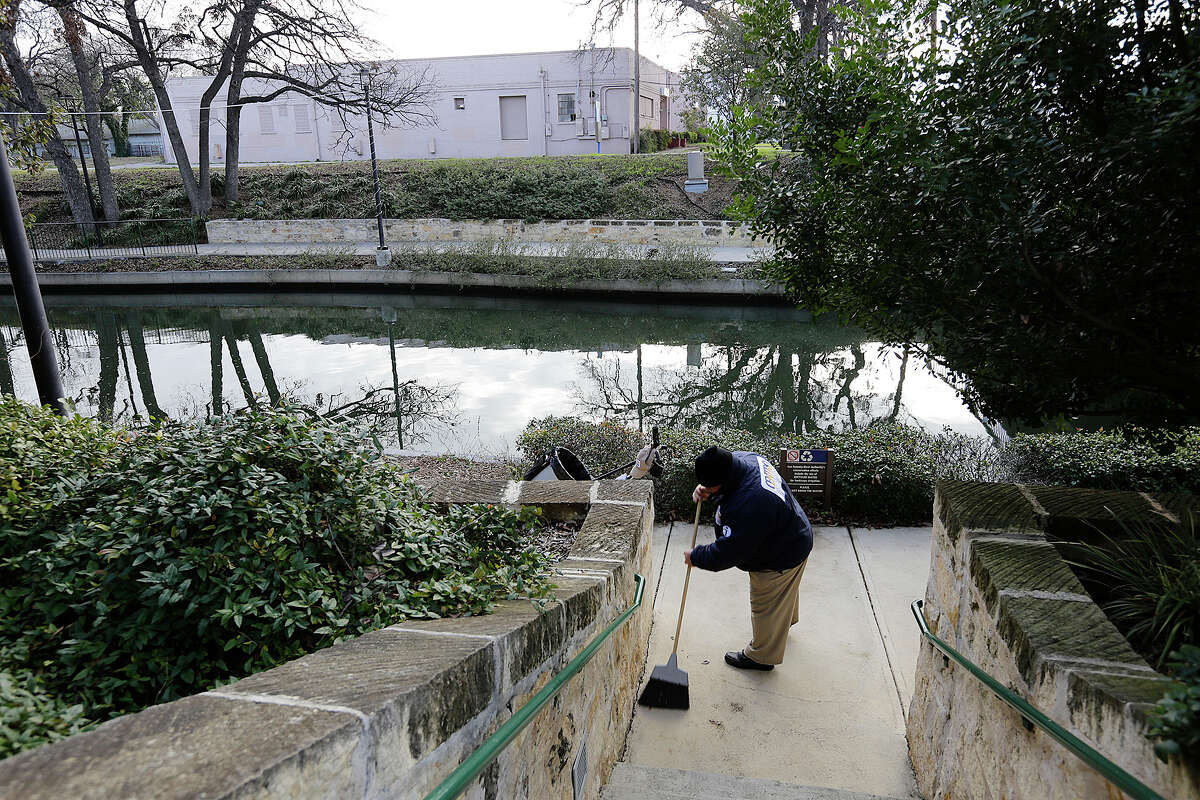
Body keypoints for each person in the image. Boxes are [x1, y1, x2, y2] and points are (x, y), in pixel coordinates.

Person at [684, 445, 814, 671]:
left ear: (723, 478)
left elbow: (730, 552)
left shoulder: (752, 502)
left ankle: (761, 657)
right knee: (784, 591)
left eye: (710, 485)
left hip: (781, 554)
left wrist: (697, 556)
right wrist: (707, 488)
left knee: (767, 602)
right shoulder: (745, 460)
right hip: (792, 532)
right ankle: (784, 622)